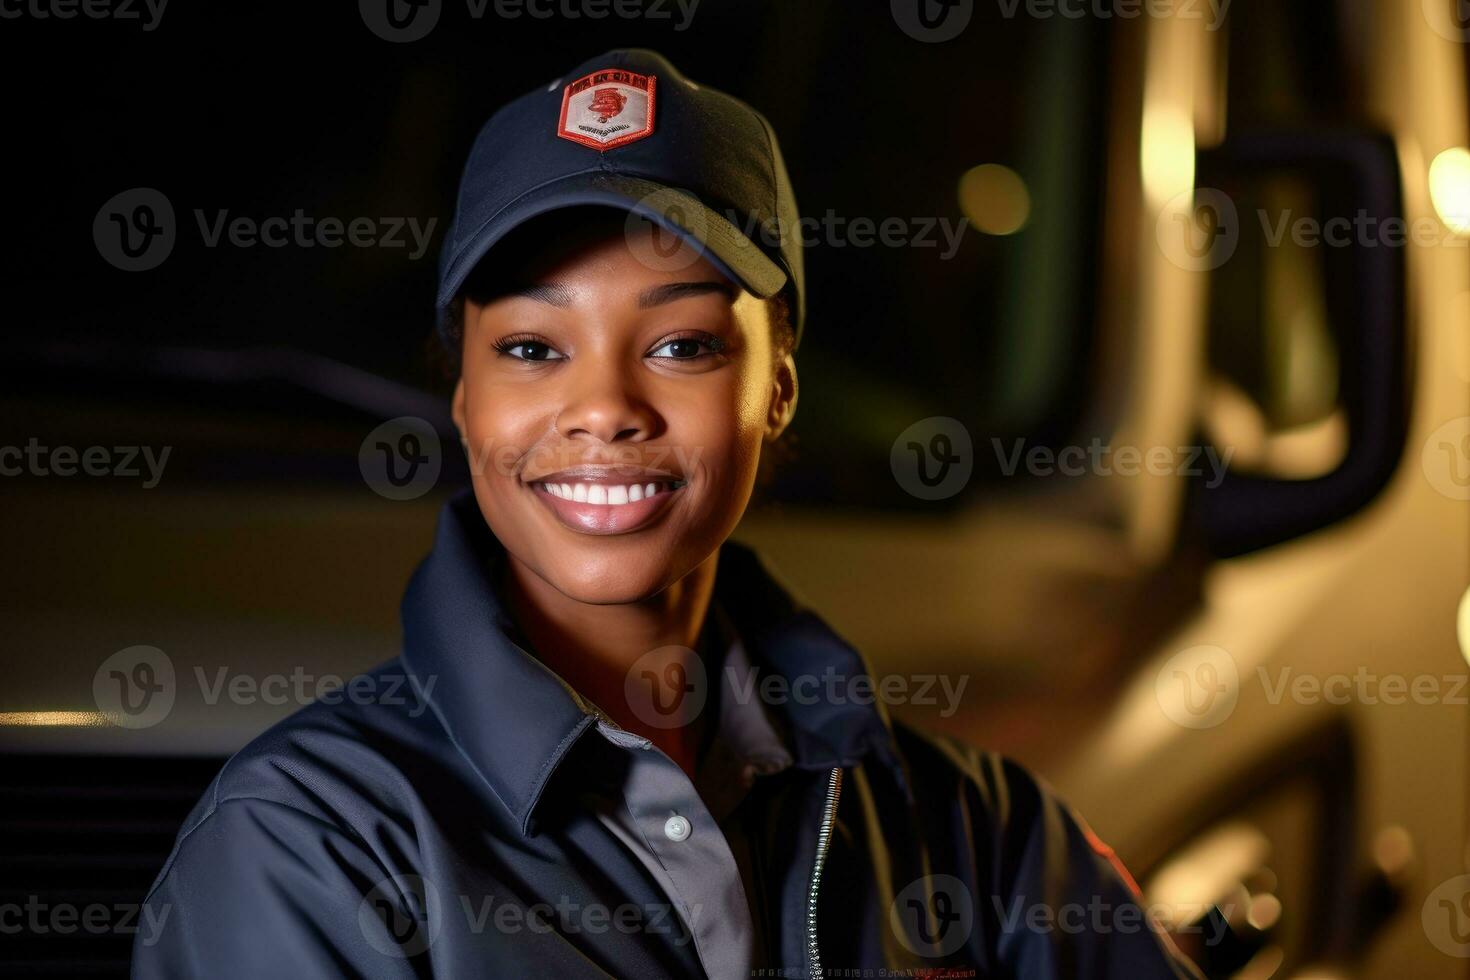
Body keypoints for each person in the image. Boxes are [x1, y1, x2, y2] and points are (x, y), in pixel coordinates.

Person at [133, 48, 1201, 979]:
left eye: (681, 344)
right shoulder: (312, 844)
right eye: (531, 349)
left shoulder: (979, 831)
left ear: (777, 385)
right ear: (463, 394)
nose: (603, 407)